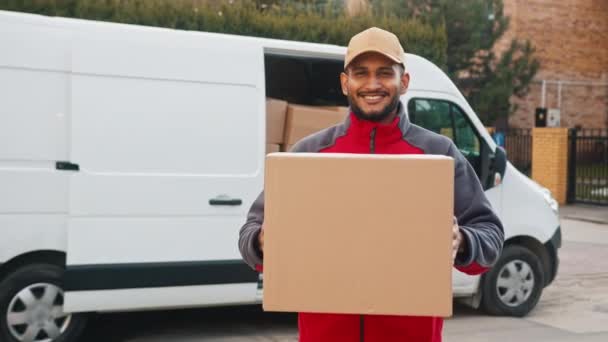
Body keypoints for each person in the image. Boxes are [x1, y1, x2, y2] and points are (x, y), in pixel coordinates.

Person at [239, 27, 504, 342]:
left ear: (403, 82)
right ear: (345, 83)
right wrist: (261, 241)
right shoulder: (311, 153)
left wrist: (462, 242)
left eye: (384, 73)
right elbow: (249, 233)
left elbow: (490, 235)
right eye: (361, 73)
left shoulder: (438, 153)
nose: (372, 84)